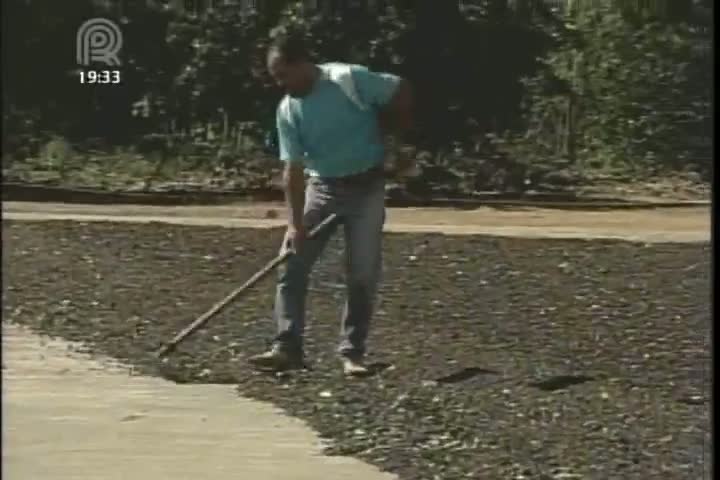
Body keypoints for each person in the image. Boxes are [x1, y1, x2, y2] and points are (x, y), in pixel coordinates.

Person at [248, 33, 414, 376]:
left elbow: (401, 91)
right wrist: (295, 225)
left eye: (283, 74)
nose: (279, 83)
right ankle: (286, 346)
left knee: (361, 273)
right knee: (291, 264)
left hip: (366, 188)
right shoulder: (289, 109)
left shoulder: (348, 80)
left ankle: (352, 353)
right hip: (321, 187)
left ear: (302, 64)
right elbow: (292, 171)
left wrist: (398, 145)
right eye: (275, 76)